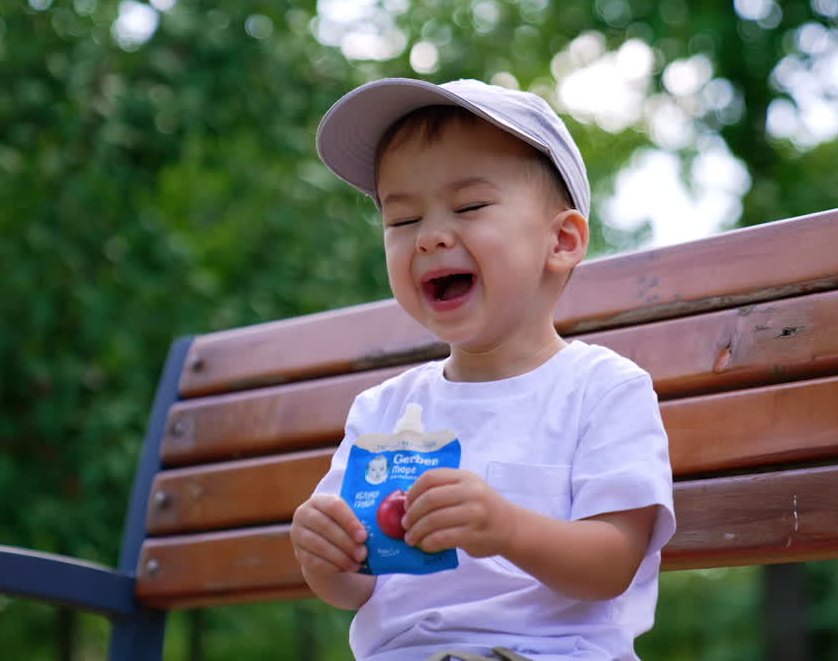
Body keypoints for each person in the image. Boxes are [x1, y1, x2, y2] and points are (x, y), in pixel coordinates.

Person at [289, 77, 676, 661]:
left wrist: (508, 529)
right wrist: (325, 556)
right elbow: (355, 586)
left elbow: (612, 564)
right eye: (401, 221)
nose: (429, 237)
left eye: (468, 206)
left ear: (562, 240)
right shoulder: (383, 411)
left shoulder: (602, 390)